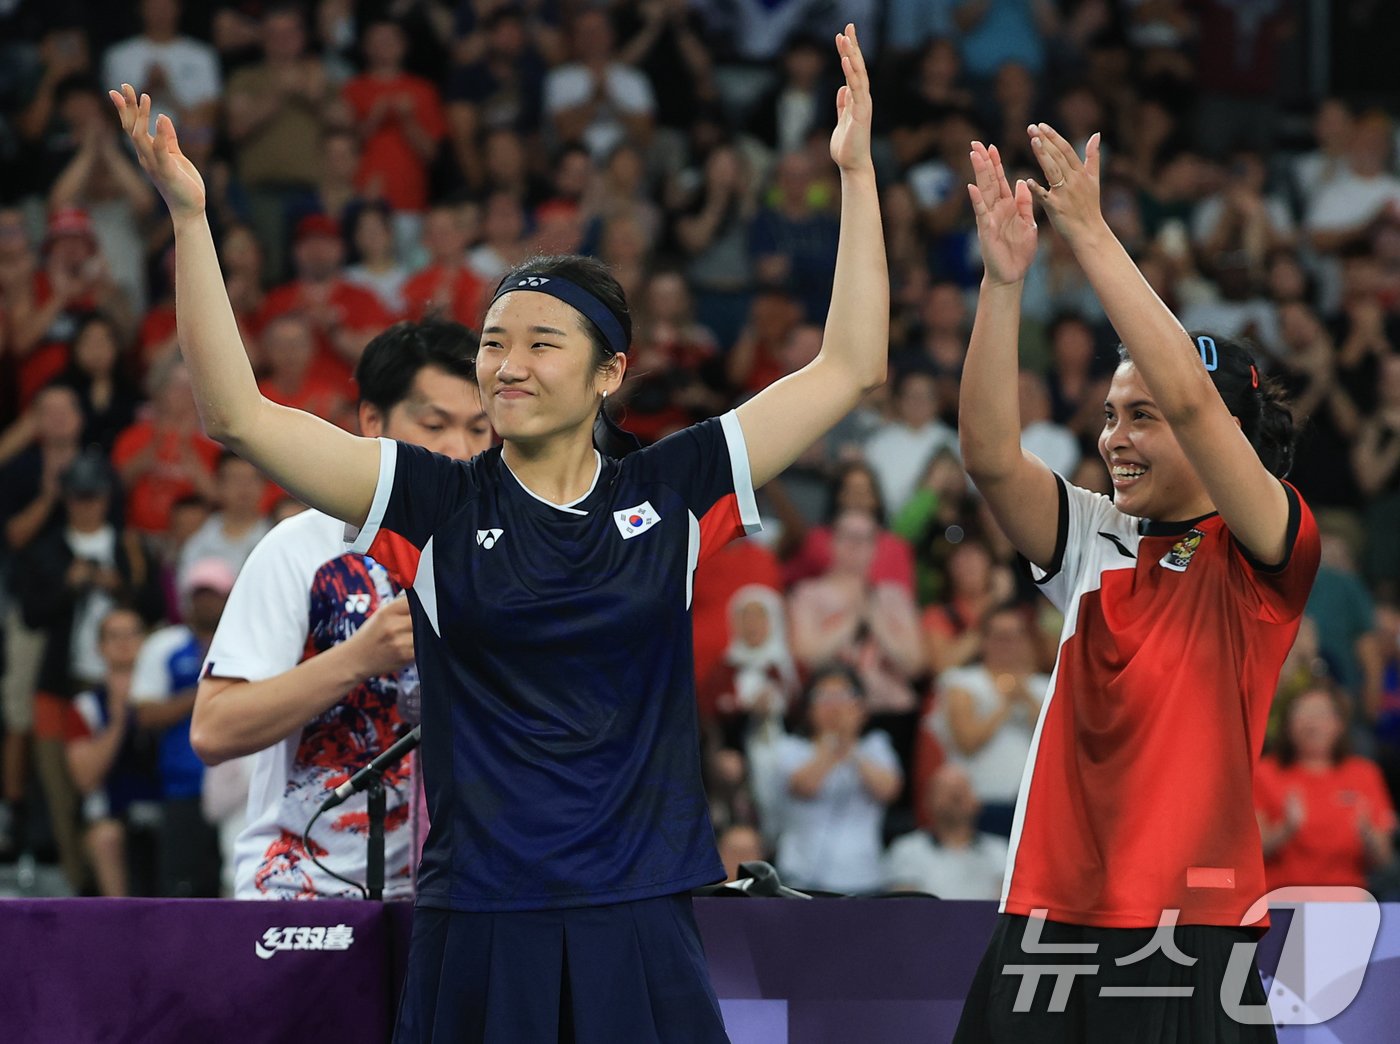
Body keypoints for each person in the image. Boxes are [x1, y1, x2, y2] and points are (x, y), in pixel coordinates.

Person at [113, 21, 885, 1041]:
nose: (505, 365)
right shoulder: (438, 501)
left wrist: (856, 173)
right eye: (491, 344)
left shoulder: (679, 481)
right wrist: (190, 218)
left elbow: (847, 368)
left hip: (637, 910)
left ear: (610, 370)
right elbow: (240, 418)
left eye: (539, 342)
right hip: (480, 914)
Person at [953, 126, 1319, 1042]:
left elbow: (1196, 401)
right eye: (1112, 415)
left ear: (1219, 431)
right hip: (1046, 912)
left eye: (1142, 417)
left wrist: (1091, 231)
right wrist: (1004, 285)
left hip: (1188, 935)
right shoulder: (1094, 537)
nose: (1116, 438)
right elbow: (991, 457)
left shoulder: (1269, 549)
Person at [191, 319, 491, 899]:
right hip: (302, 889)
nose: (460, 449)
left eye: (480, 429)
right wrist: (358, 658)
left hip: (460, 901)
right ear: (372, 422)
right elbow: (213, 728)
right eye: (435, 425)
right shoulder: (299, 550)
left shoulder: (504, 554)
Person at [773, 664, 903, 893]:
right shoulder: (790, 747)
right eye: (823, 697)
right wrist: (833, 743)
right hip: (800, 877)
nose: (833, 707)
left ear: (861, 706)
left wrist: (850, 747)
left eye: (843, 696)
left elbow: (888, 790)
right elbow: (805, 786)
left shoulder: (876, 745)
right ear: (808, 708)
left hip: (864, 876)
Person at [1255, 684, 1396, 892]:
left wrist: (1368, 834)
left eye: (1321, 714)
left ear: (1339, 724)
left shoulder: (1364, 773)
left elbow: (1384, 859)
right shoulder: (1265, 772)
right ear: (1288, 725)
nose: (1312, 723)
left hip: (1348, 899)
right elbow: (1252, 854)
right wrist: (1286, 828)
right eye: (1302, 714)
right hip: (1281, 898)